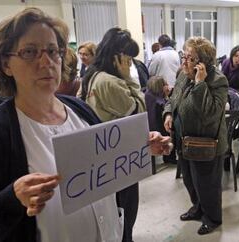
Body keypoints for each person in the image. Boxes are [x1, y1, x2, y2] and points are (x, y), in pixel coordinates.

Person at [0, 8, 172, 242]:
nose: (46, 61)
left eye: (53, 51)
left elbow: (104, 172)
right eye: (30, 52)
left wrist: (139, 147)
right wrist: (12, 200)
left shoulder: (80, 110)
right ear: (6, 64)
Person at [83, 27, 146, 242]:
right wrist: (130, 79)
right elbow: (139, 112)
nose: (129, 64)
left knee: (115, 213)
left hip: (104, 158)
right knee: (125, 211)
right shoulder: (110, 82)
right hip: (119, 159)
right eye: (127, 59)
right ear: (116, 57)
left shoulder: (92, 75)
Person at [163, 36, 228, 235]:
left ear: (203, 63)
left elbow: (209, 115)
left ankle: (212, 218)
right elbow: (173, 97)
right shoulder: (182, 74)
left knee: (207, 185)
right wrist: (167, 113)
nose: (184, 62)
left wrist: (200, 84)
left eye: (190, 58)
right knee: (190, 181)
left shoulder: (218, 81)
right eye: (184, 56)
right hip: (184, 140)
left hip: (205, 143)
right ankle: (198, 208)